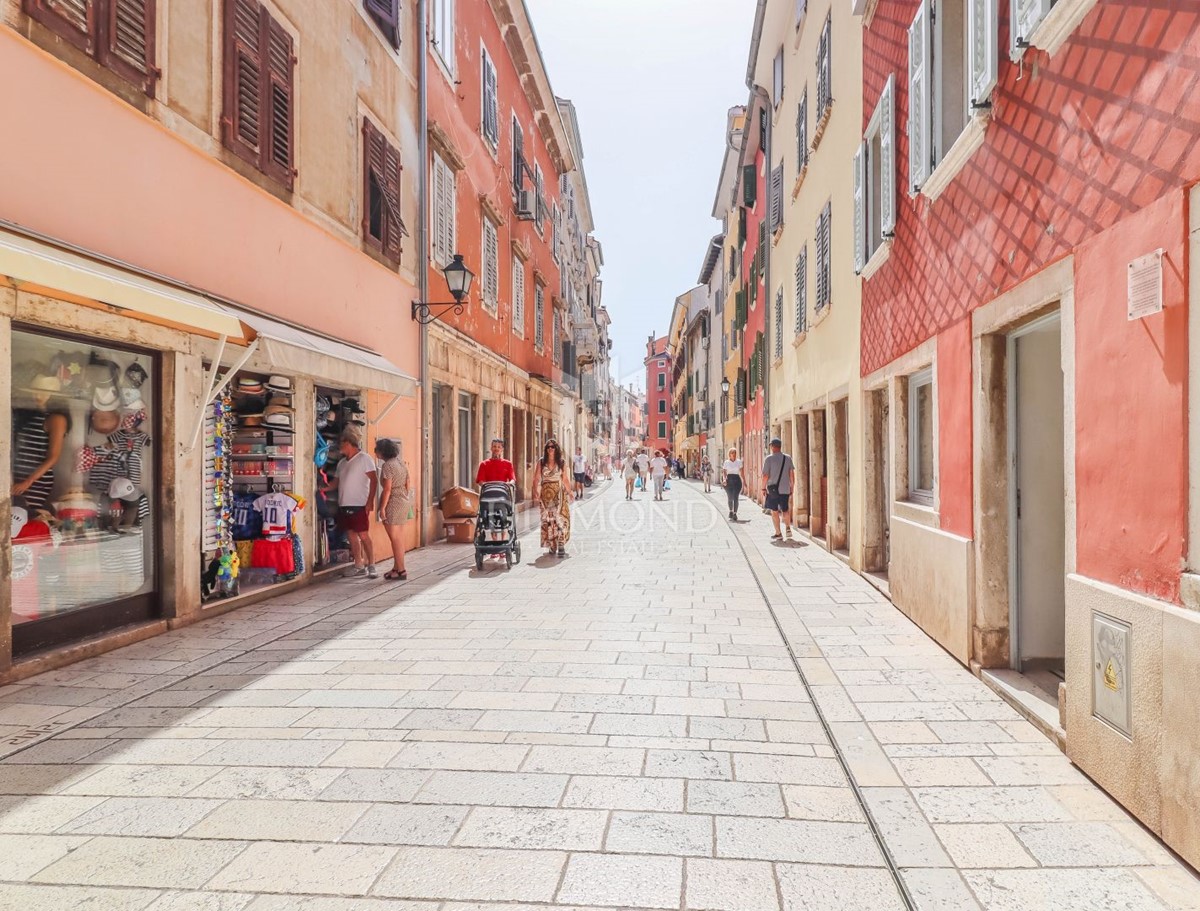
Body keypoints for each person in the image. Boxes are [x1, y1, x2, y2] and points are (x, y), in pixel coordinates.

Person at [12, 375, 70, 514]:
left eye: (44, 392)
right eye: (34, 390)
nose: (37, 395)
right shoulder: (29, 414)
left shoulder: (56, 418)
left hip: (35, 480)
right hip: (17, 474)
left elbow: (53, 456)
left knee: (22, 515)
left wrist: (28, 481)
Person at [325, 429, 378, 578]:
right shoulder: (342, 463)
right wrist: (322, 488)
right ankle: (358, 565)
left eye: (342, 444)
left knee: (364, 536)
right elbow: (335, 483)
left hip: (359, 504)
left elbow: (374, 480)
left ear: (348, 443)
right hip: (344, 504)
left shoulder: (364, 458)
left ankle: (372, 565)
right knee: (352, 536)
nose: (340, 447)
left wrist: (370, 502)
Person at [375, 438, 411, 581]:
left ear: (382, 452)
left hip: (393, 502)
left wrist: (382, 508)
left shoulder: (387, 466)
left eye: (376, 449)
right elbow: (408, 483)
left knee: (394, 539)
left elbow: (387, 489)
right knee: (399, 538)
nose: (375, 452)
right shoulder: (401, 463)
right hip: (403, 501)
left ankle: (401, 570)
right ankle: (397, 568)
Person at [476, 438, 517, 560]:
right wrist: (484, 484)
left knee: (503, 520)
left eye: (499, 447)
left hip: (502, 497)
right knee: (490, 519)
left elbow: (512, 478)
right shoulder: (484, 464)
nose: (496, 449)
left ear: (502, 449)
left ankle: (504, 545)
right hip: (489, 496)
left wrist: (510, 483)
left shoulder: (507, 464)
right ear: (491, 448)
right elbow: (480, 480)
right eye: (494, 447)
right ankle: (494, 545)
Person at [534, 438, 572, 556]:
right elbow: (536, 478)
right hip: (545, 494)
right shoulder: (541, 462)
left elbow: (565, 478)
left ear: (556, 449)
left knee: (559, 518)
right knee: (549, 520)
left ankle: (560, 544)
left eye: (552, 447)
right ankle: (552, 545)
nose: (550, 449)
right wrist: (535, 491)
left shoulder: (561, 462)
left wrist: (570, 492)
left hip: (559, 494)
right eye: (548, 447)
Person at [761, 437, 797, 541]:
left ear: (772, 447)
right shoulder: (788, 458)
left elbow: (765, 476)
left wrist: (763, 488)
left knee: (774, 511)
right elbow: (791, 474)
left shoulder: (769, 459)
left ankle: (778, 533)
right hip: (785, 489)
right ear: (780, 447)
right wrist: (792, 487)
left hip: (772, 490)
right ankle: (788, 527)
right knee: (785, 509)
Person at [721, 447, 744, 521]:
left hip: (737, 480)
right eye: (732, 453)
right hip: (729, 480)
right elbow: (724, 472)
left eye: (735, 453)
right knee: (730, 497)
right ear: (729, 454)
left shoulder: (739, 462)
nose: (734, 455)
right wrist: (724, 479)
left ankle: (735, 513)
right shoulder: (726, 462)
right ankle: (730, 511)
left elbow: (741, 473)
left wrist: (745, 482)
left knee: (736, 497)